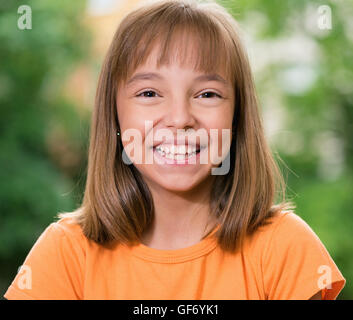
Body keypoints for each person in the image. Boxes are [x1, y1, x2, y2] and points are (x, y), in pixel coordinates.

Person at [4, 0, 345, 300]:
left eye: (207, 94)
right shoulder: (65, 256)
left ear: (238, 115)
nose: (181, 119)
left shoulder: (284, 248)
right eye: (149, 93)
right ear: (114, 113)